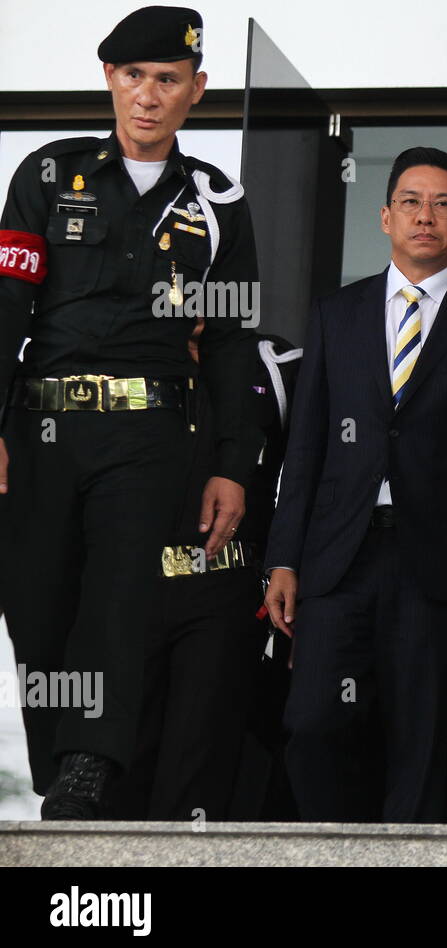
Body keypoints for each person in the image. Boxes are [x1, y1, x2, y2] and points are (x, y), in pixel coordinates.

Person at [0, 7, 260, 819]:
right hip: (43, 427)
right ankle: (61, 760)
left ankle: (88, 764)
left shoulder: (220, 198)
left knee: (120, 599)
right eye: (134, 77)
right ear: (111, 80)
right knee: (39, 602)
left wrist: (231, 464)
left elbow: (230, 342)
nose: (149, 96)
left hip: (151, 432)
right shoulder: (47, 173)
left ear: (197, 92)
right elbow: (7, 307)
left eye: (168, 81)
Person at [262, 147, 447, 823]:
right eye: (411, 202)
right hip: (340, 555)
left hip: (441, 561)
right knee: (314, 724)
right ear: (385, 216)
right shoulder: (338, 312)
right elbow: (308, 447)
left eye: (443, 205)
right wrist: (283, 557)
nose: (426, 216)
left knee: (425, 739)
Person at [108, 322, 299, 821]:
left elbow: (313, 477)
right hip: (124, 586)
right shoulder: (111, 344)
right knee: (118, 761)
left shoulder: (277, 361)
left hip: (225, 584)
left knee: (200, 763)